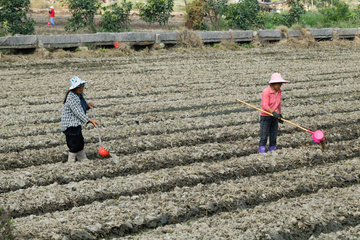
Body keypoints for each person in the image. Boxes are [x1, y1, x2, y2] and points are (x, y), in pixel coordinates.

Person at [61, 77, 98, 162]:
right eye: (79, 87)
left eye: (82, 86)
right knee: (74, 143)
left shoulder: (79, 96)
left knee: (80, 142)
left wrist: (87, 105)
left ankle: (83, 159)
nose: (81, 88)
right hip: (70, 125)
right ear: (74, 88)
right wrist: (90, 120)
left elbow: (81, 107)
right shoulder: (71, 97)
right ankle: (71, 161)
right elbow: (78, 112)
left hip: (76, 124)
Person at [259, 73, 289, 153]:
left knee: (273, 136)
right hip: (266, 116)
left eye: (281, 84)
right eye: (278, 84)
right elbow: (265, 106)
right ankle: (261, 153)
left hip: (274, 116)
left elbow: (278, 104)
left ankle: (272, 151)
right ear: (273, 83)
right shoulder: (266, 92)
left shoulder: (279, 91)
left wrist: (279, 114)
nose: (280, 86)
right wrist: (273, 112)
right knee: (264, 136)